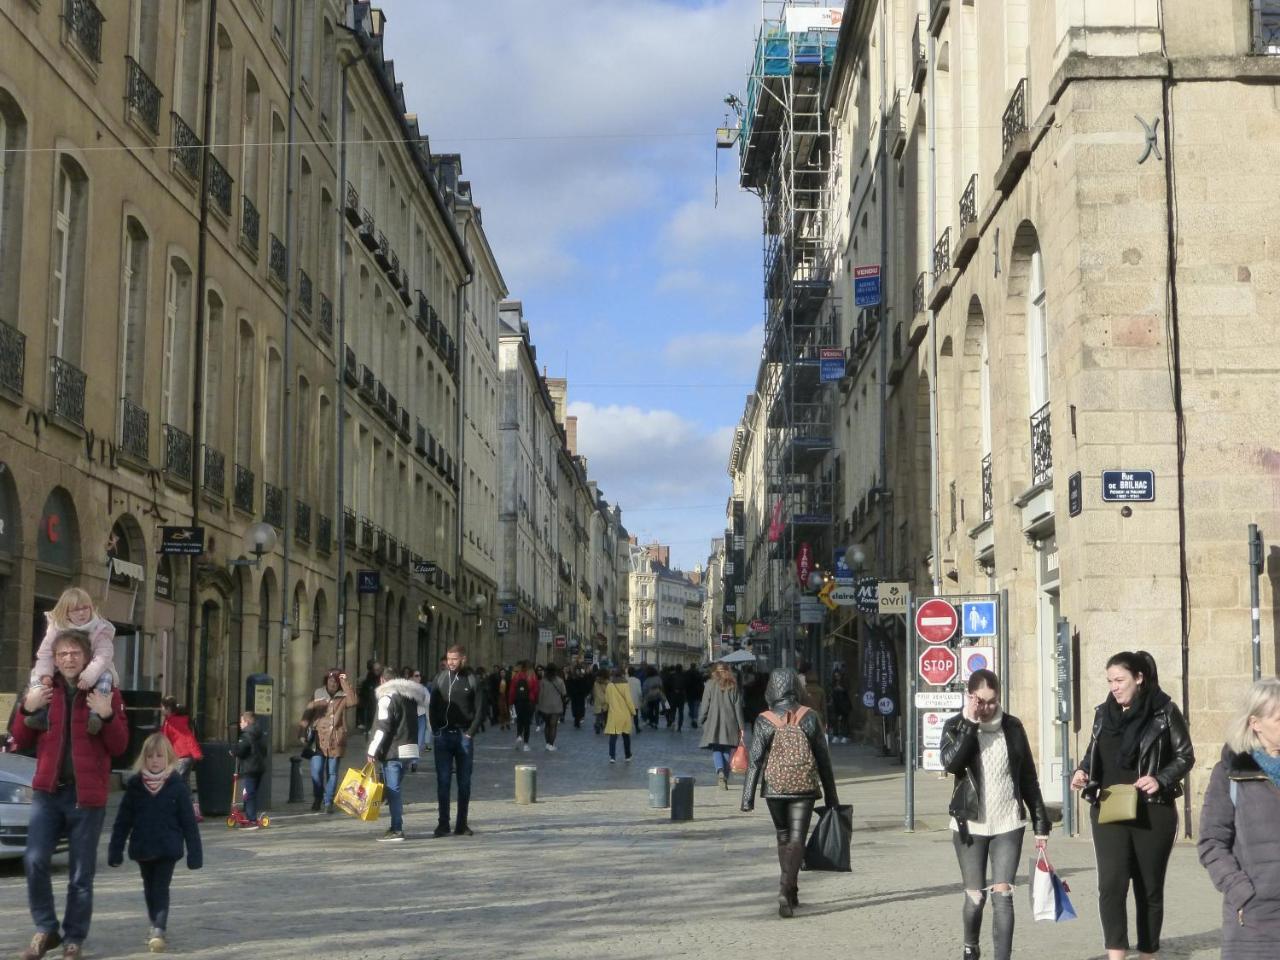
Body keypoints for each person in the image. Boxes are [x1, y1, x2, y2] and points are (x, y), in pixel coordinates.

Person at [12, 627, 129, 960]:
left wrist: (106, 714)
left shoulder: (106, 690)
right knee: (34, 859)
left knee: (81, 872)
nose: (68, 659)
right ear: (55, 657)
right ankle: (46, 929)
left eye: (74, 653)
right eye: (62, 653)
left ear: (87, 657)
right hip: (48, 792)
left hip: (86, 796)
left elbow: (120, 745)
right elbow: (19, 740)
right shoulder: (44, 688)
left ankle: (74, 937)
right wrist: (26, 708)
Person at [1071, 650, 1194, 960]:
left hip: (1153, 810)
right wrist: (1082, 772)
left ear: (1139, 678)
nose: (1114, 686)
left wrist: (1161, 779)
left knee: (1148, 887)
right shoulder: (1103, 713)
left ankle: (1148, 952)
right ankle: (1116, 954)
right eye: (1110, 680)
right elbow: (1092, 753)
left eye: (1120, 680)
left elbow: (1185, 755)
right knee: (1111, 884)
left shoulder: (1164, 712)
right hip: (1109, 806)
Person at [940, 669, 1051, 960]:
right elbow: (952, 764)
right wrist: (970, 723)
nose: (987, 707)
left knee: (1003, 897)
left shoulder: (1013, 727)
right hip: (970, 824)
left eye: (992, 701)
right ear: (970, 697)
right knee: (975, 898)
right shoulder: (955, 725)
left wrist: (1040, 823)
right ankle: (970, 948)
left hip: (1008, 823)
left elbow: (1028, 777)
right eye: (981, 701)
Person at [740, 667, 838, 918]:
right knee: (798, 838)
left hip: (774, 788)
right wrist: (831, 795)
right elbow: (823, 760)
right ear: (796, 687)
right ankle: (787, 888)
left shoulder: (765, 719)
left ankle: (789, 887)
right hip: (804, 786)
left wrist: (747, 798)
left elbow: (756, 761)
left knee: (783, 836)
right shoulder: (810, 716)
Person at [1197, 677, 1280, 959]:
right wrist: (1241, 891)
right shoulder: (1231, 772)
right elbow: (1211, 842)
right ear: (1255, 723)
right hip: (1254, 917)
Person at [107, 733, 203, 954]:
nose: (154, 760)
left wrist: (194, 854)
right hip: (143, 847)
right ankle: (154, 923)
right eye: (150, 756)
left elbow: (189, 823)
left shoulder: (176, 787)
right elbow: (123, 821)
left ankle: (159, 928)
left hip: (168, 848)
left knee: (160, 888)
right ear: (144, 758)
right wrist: (115, 850)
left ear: (168, 758)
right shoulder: (135, 787)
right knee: (149, 888)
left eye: (159, 756)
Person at [26, 587, 117, 731]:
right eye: (75, 609)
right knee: (35, 675)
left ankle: (95, 716)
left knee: (106, 676)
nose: (81, 613)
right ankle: (40, 711)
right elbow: (44, 654)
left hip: (94, 668)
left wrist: (89, 676)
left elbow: (103, 656)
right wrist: (45, 675)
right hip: (60, 669)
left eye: (85, 608)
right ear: (66, 612)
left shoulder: (99, 628)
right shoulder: (56, 628)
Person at [428, 644, 484, 837]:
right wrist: (435, 729)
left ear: (463, 659)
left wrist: (470, 733)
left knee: (464, 782)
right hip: (443, 737)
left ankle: (462, 824)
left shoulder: (472, 680)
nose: (450, 662)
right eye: (448, 659)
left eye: (454, 659)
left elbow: (480, 710)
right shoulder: (440, 678)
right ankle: (443, 824)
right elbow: (433, 706)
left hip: (463, 736)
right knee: (443, 781)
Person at [367, 667, 428, 842]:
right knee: (392, 787)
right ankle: (395, 825)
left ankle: (396, 828)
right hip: (409, 748)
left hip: (393, 750)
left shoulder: (386, 698)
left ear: (382, 681)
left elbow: (382, 727)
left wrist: (372, 750)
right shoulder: (409, 697)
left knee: (393, 790)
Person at [297, 669, 358, 813]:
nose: (333, 684)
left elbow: (354, 701)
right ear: (326, 681)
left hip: (336, 739)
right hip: (318, 738)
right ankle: (318, 797)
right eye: (331, 680)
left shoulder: (343, 696)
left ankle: (328, 801)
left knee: (332, 772)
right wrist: (301, 732)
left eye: (336, 682)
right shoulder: (318, 694)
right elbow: (307, 713)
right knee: (316, 772)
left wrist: (345, 682)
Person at [700, 663, 746, 790]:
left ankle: (720, 771)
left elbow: (705, 704)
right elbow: (738, 708)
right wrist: (741, 726)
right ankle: (724, 776)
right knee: (726, 749)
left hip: (713, 721)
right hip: (730, 722)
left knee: (717, 748)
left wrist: (701, 719)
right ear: (728, 671)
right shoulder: (732, 685)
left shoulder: (709, 684)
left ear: (714, 671)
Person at [159, 697, 204, 821]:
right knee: (184, 783)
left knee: (178, 783)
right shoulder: (179, 720)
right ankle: (192, 810)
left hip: (182, 756)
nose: (160, 709)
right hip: (186, 756)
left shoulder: (171, 722)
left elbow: (164, 739)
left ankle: (186, 811)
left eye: (162, 707)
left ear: (168, 708)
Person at [233, 712, 267, 829]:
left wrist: (233, 752)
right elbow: (264, 750)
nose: (240, 724)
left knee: (249, 794)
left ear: (246, 722)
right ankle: (249, 815)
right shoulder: (259, 733)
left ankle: (251, 819)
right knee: (252, 793)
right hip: (259, 767)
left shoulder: (246, 735)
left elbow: (242, 750)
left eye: (241, 721)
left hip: (249, 767)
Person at [603, 668, 637, 762]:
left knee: (613, 736)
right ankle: (627, 755)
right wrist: (633, 711)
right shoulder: (625, 685)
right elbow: (629, 700)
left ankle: (612, 757)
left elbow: (607, 700)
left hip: (614, 714)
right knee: (626, 735)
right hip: (625, 714)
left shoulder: (610, 685)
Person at [508, 661, 538, 751]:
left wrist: (510, 702)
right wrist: (535, 700)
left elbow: (512, 690)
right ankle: (526, 744)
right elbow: (536, 690)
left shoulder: (516, 677)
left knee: (520, 720)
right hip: (529, 702)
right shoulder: (532, 677)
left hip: (518, 702)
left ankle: (518, 735)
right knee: (527, 723)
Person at [537, 663, 567, 751]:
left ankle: (547, 743)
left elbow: (540, 694)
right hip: (556, 706)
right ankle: (551, 744)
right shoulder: (560, 681)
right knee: (553, 726)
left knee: (547, 725)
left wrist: (539, 705)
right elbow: (564, 693)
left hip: (545, 706)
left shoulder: (543, 681)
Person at [357, 659, 382, 732]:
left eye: (379, 669)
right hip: (370, 707)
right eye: (376, 670)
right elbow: (363, 696)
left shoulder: (381, 679)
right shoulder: (368, 681)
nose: (378, 671)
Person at [829, 673, 852, 743]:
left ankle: (844, 736)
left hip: (843, 705)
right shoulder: (833, 684)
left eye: (838, 675)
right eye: (835, 676)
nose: (837, 677)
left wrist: (841, 689)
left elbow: (846, 693)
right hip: (836, 704)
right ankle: (836, 735)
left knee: (844, 721)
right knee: (835, 720)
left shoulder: (844, 684)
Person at [685, 664, 705, 730]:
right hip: (697, 692)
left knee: (690, 705)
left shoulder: (687, 673)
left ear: (690, 666)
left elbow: (686, 683)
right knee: (696, 706)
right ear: (695, 666)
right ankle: (694, 719)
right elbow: (702, 683)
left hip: (689, 692)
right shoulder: (698, 673)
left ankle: (692, 715)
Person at [591, 669, 610, 734]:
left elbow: (595, 692)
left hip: (598, 701)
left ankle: (598, 726)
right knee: (605, 715)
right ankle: (604, 726)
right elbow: (609, 692)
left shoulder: (596, 683)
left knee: (598, 716)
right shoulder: (608, 683)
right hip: (606, 701)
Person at [627, 668, 644, 735]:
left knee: (627, 715)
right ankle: (637, 728)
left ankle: (627, 728)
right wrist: (641, 699)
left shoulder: (626, 680)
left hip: (627, 701)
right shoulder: (637, 681)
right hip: (635, 700)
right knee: (635, 716)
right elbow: (639, 692)